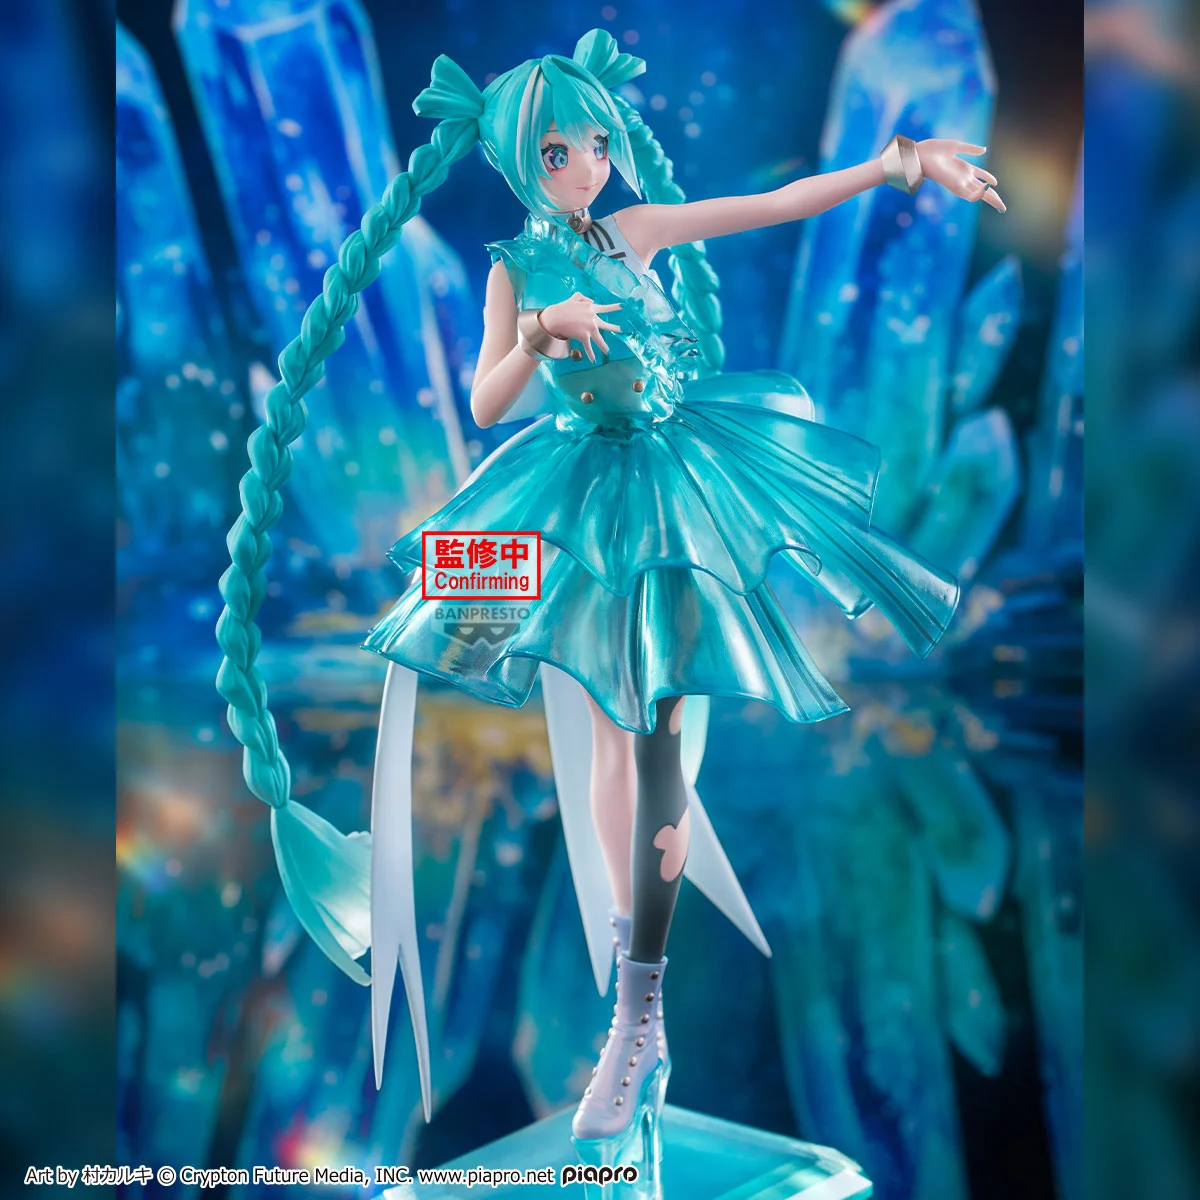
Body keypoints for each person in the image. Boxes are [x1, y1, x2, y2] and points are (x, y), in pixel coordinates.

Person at [215, 27, 1004, 1182]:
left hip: (679, 484)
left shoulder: (634, 234)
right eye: (557, 151)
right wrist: (541, 331)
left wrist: (896, 166)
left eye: (594, 143)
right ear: (517, 160)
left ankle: (640, 1014)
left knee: (656, 739)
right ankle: (635, 1000)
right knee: (607, 737)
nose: (586, 165)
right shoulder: (514, 270)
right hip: (579, 497)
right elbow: (486, 403)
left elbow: (769, 205)